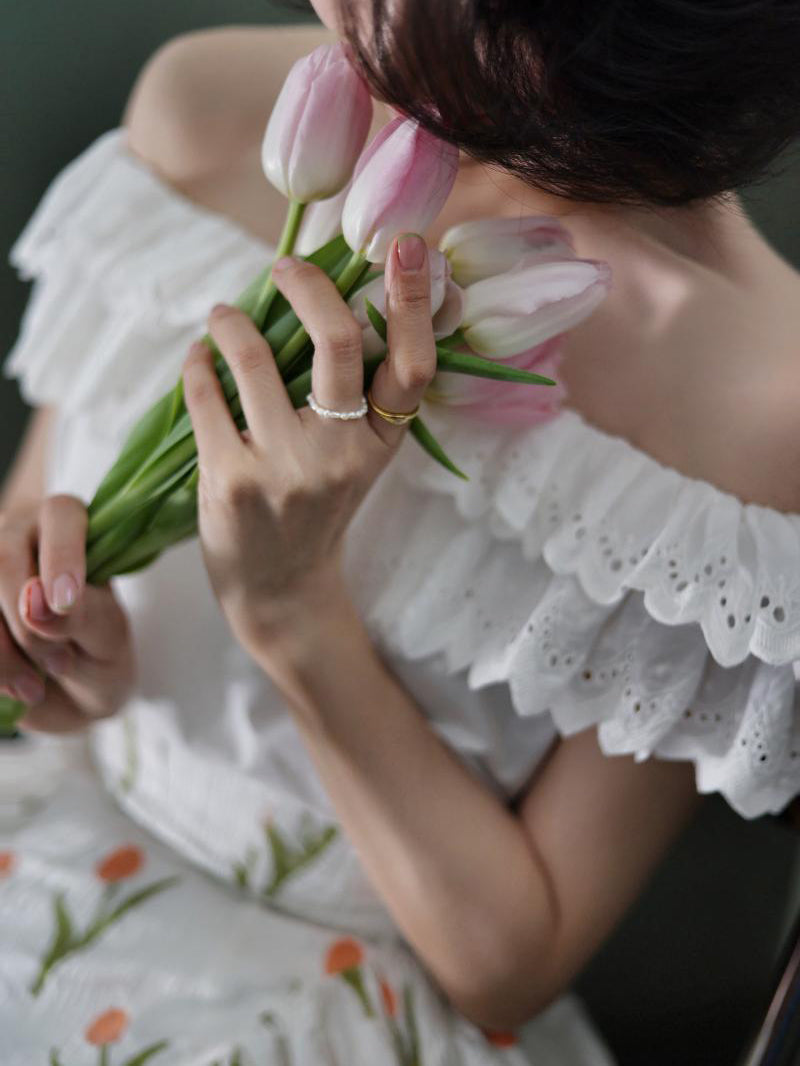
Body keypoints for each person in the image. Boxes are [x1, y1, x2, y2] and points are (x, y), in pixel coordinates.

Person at [1, 1, 799, 1061]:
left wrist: (290, 611)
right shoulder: (225, 110)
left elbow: (510, 960)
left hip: (321, 997)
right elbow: (34, 518)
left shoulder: (757, 404)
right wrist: (54, 648)